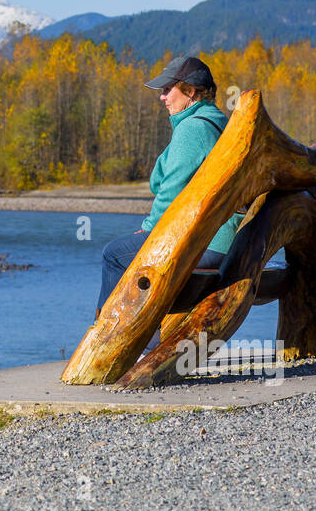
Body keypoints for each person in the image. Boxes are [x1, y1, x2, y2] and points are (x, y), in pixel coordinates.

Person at [94, 55, 244, 320]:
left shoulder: (193, 129)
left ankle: (108, 331)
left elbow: (169, 193)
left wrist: (151, 229)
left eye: (167, 90)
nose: (162, 97)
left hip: (207, 245)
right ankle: (144, 344)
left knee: (114, 254)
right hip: (225, 239)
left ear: (190, 91)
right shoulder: (216, 121)